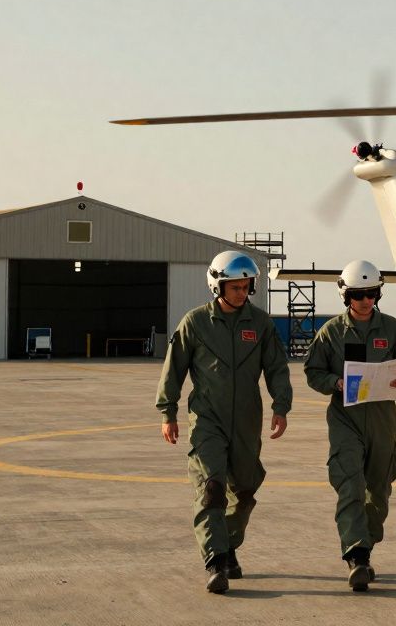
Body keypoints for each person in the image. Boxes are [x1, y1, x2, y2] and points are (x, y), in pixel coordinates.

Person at [156, 250, 292, 595]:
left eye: (246, 287)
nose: (241, 293)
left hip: (247, 420)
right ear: (217, 285)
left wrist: (281, 405)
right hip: (207, 420)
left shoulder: (260, 324)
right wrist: (167, 412)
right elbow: (174, 370)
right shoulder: (195, 323)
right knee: (212, 489)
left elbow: (276, 367)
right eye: (235, 287)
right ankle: (215, 561)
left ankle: (228, 545)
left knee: (244, 493)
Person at [304, 259, 396, 592]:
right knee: (350, 485)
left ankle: (365, 546)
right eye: (359, 295)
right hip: (346, 420)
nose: (366, 301)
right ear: (347, 296)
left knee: (379, 492)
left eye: (372, 294)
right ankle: (356, 555)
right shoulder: (330, 333)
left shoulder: (393, 329)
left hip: (384, 420)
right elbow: (313, 372)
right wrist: (335, 382)